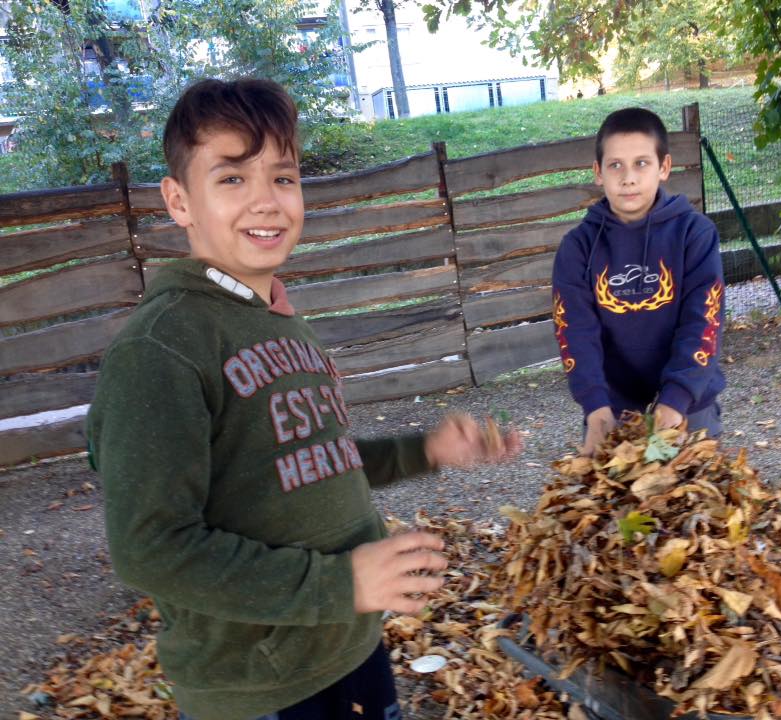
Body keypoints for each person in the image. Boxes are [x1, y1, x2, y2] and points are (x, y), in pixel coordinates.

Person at [86, 78, 520, 720]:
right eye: (232, 179)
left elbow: (309, 462)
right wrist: (339, 583)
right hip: (261, 690)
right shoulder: (163, 349)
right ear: (179, 201)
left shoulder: (277, 321)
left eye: (283, 178)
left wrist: (425, 450)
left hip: (348, 648)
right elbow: (151, 547)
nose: (266, 201)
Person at [551, 107, 725, 456]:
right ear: (598, 173)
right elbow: (575, 331)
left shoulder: (695, 234)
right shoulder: (578, 247)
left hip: (689, 406)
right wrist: (595, 407)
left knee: (694, 504)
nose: (628, 177)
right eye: (615, 165)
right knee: (617, 507)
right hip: (613, 410)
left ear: (664, 167)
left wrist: (675, 400)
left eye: (641, 163)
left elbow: (703, 320)